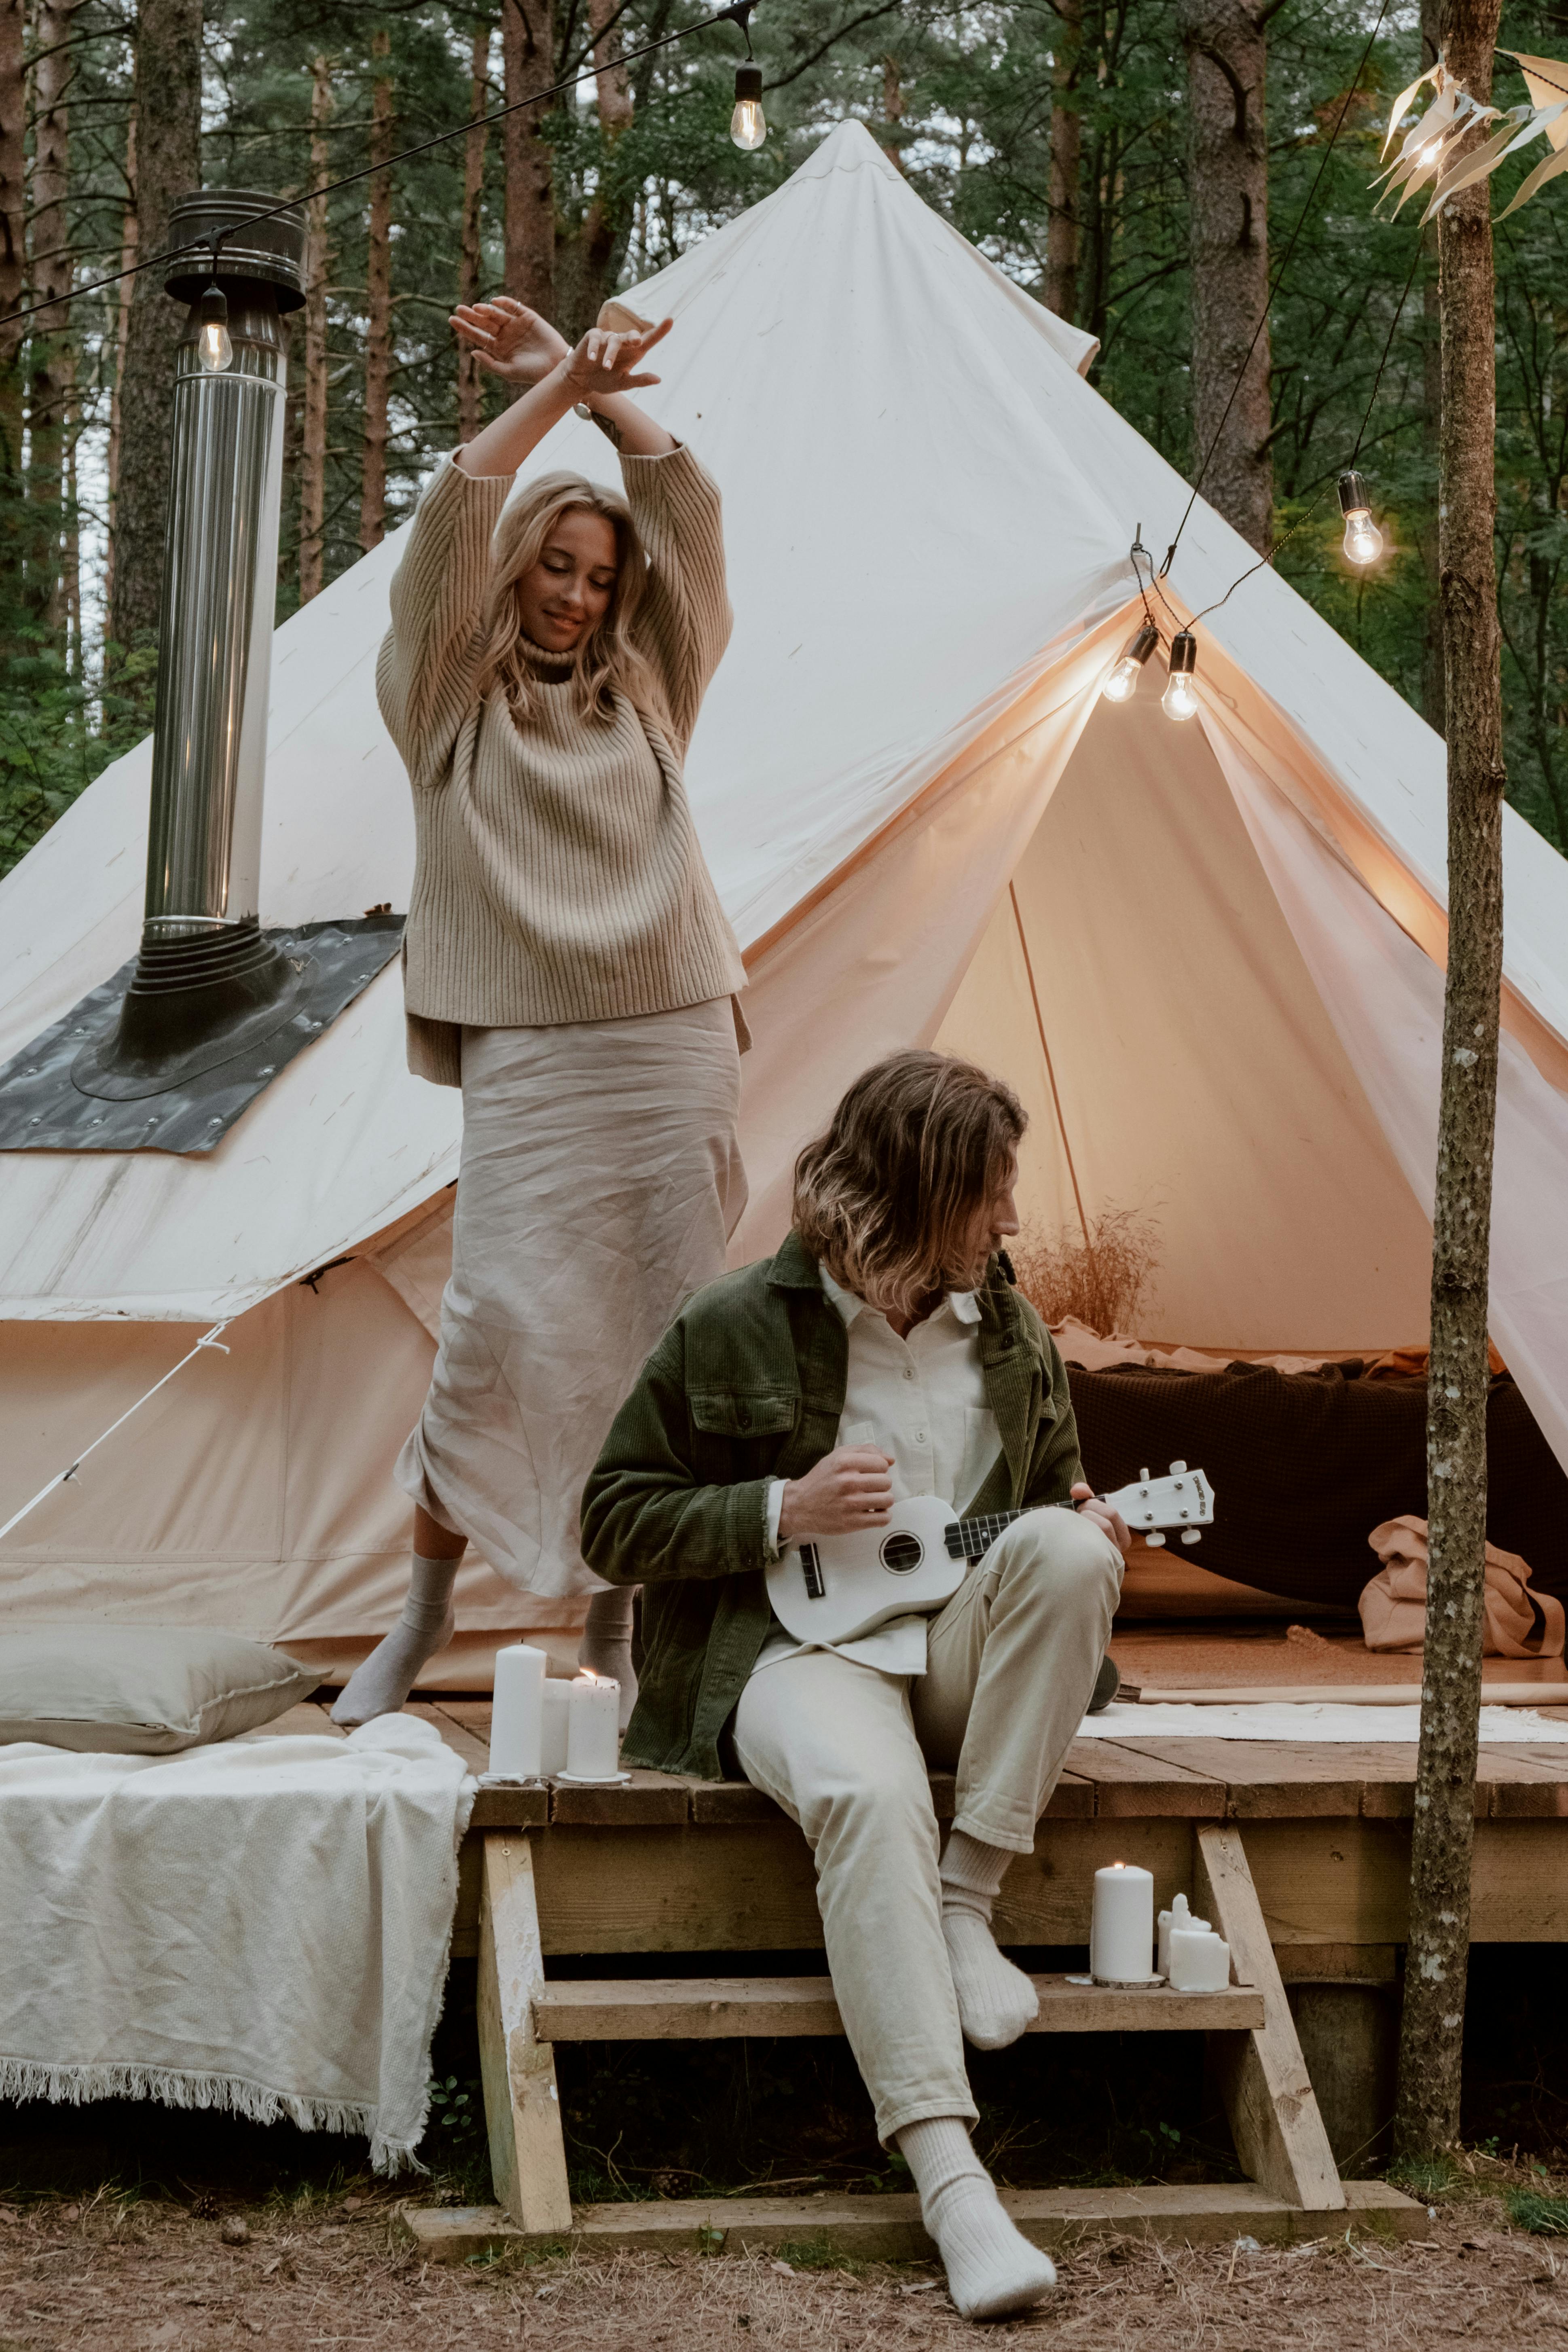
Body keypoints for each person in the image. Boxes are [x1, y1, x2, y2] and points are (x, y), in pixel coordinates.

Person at [581, 1050, 1130, 2321]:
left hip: (947, 1654)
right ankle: (954, 2181)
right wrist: (780, 1508)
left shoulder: (1014, 1332)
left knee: (1062, 1548)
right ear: (915, 1186)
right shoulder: (733, 1319)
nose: (1011, 1218)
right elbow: (612, 1519)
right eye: (991, 1190)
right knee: (871, 1799)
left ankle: (966, 1901)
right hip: (789, 1657)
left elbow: (1052, 1498)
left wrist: (1090, 1526)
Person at [334, 298, 748, 1729]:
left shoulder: (649, 688)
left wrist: (610, 403)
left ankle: (617, 1632)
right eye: (555, 568)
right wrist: (559, 387)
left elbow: (686, 518)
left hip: (671, 1031)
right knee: (496, 1329)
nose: (576, 594)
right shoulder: (447, 699)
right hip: (530, 1052)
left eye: (597, 575)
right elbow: (451, 521)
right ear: (520, 570)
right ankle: (421, 1620)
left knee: (659, 1335)